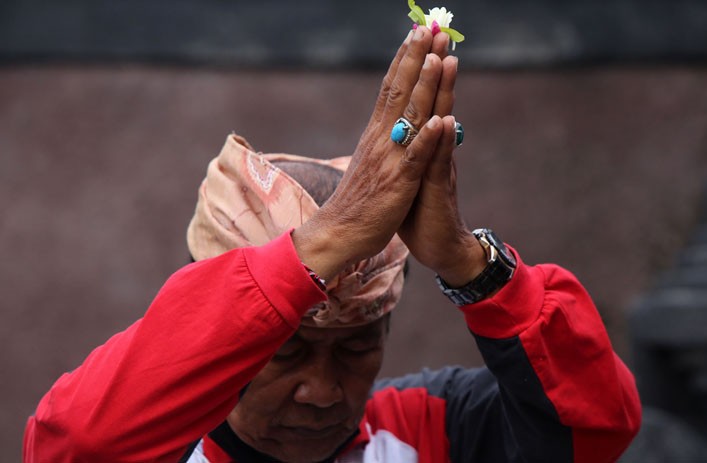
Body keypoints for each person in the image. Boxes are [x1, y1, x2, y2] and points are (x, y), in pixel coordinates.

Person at [23, 26, 641, 463]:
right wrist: (320, 247)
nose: (322, 393)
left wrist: (468, 265)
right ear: (220, 338)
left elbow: (595, 429)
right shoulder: (158, 445)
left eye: (355, 348)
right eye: (287, 352)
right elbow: (75, 447)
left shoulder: (433, 429)